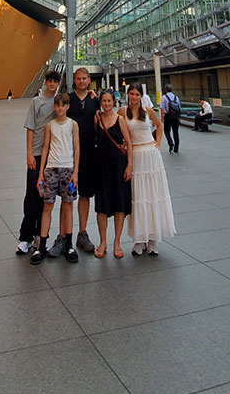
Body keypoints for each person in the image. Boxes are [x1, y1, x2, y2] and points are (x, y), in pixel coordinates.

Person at [121, 82, 175, 256]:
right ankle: (139, 239)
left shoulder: (147, 111)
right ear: (128, 95)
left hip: (150, 156)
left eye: (137, 94)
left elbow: (159, 126)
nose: (134, 97)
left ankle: (152, 239)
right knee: (138, 196)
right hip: (135, 156)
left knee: (152, 195)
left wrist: (158, 143)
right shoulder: (122, 112)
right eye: (132, 94)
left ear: (141, 96)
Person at [16, 70, 60, 255]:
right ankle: (25, 238)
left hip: (52, 156)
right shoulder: (37, 102)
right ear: (46, 83)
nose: (51, 84)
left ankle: (40, 237)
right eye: (49, 81)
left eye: (54, 81)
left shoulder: (59, 102)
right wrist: (29, 154)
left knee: (46, 199)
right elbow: (30, 128)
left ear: (58, 83)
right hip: (36, 154)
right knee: (31, 197)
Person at [32, 92, 79, 264]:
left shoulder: (73, 125)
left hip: (67, 169)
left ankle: (69, 245)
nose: (60, 108)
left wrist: (76, 172)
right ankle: (42, 246)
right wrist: (41, 173)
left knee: (68, 207)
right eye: (57, 105)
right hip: (51, 169)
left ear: (67, 107)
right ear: (55, 107)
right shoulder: (50, 126)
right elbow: (45, 148)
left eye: (63, 105)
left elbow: (77, 148)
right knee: (47, 206)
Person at [94, 89, 132, 258]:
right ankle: (103, 242)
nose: (107, 104)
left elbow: (129, 144)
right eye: (104, 101)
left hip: (118, 166)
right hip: (102, 167)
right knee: (101, 206)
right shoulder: (97, 119)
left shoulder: (120, 119)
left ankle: (117, 242)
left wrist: (129, 166)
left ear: (113, 102)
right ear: (100, 102)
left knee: (119, 205)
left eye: (109, 101)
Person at [64, 66, 98, 254]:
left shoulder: (95, 101)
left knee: (85, 194)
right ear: (74, 80)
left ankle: (82, 233)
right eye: (78, 79)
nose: (82, 81)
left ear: (89, 80)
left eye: (84, 78)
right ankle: (64, 234)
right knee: (66, 195)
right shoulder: (68, 100)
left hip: (89, 154)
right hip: (68, 154)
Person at [161, 83, 181, 153]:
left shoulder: (164, 97)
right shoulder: (176, 97)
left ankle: (170, 142)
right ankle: (176, 147)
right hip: (175, 117)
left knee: (166, 131)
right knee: (175, 132)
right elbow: (179, 107)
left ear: (165, 90)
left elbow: (162, 108)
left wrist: (162, 117)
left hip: (167, 116)